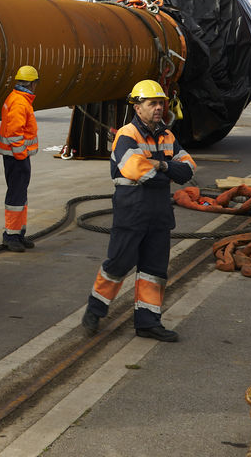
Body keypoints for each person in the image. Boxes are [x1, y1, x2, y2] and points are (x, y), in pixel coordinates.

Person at [81, 79, 196, 342]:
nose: (158, 108)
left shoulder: (167, 136)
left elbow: (188, 169)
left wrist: (162, 167)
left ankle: (148, 322)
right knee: (118, 264)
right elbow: (135, 170)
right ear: (137, 107)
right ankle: (95, 310)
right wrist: (167, 170)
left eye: (161, 103)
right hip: (132, 212)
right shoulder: (127, 135)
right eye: (152, 103)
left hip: (158, 214)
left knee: (154, 271)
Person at [0, 65, 40, 252]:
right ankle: (11, 235)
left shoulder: (18, 98)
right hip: (16, 157)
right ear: (32, 83)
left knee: (20, 195)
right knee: (16, 196)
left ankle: (18, 233)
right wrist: (21, 155)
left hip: (16, 156)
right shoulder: (20, 102)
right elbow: (14, 134)